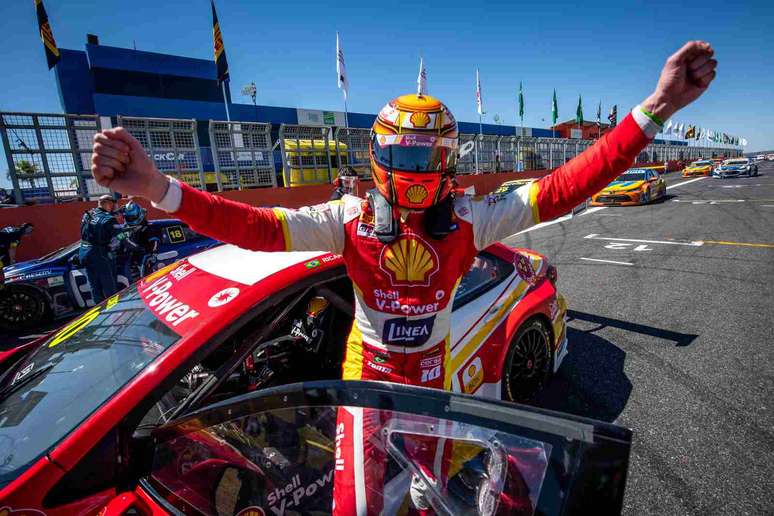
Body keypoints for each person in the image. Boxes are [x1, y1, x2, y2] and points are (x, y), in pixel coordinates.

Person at [91, 41, 717, 514]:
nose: (416, 169)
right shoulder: (347, 219)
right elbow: (253, 226)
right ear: (378, 157)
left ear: (449, 162)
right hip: (366, 379)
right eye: (404, 155)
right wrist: (157, 187)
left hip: (433, 379)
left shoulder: (471, 218)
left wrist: (658, 107)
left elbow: (564, 187)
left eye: (430, 156)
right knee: (355, 507)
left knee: (428, 495)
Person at [79, 194, 122, 303]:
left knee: (95, 287)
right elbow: (121, 237)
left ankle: (98, 310)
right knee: (110, 287)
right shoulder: (108, 219)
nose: (114, 207)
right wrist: (134, 245)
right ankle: (114, 310)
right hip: (99, 254)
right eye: (112, 204)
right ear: (107, 203)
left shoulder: (88, 214)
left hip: (84, 252)